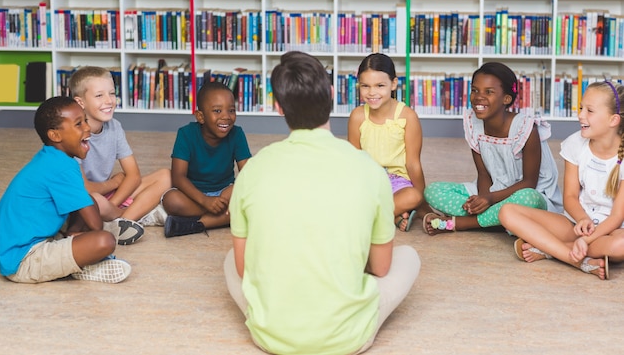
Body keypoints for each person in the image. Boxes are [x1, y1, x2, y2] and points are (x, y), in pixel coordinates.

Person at [224, 51, 420, 354]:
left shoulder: (253, 170)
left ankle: (273, 317)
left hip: (272, 337)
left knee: (228, 259)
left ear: (278, 107)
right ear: (330, 95)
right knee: (408, 257)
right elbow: (381, 269)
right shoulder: (369, 170)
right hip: (348, 338)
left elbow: (241, 267)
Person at [0, 97, 131, 284]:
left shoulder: (53, 158)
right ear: (55, 136)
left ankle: (73, 240)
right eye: (79, 124)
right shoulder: (62, 167)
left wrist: (75, 231)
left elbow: (84, 203)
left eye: (85, 120)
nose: (87, 127)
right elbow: (95, 225)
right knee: (104, 240)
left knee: (89, 201)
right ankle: (82, 266)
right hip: (23, 261)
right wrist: (87, 234)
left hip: (25, 243)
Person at [500, 80, 624, 280]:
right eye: (581, 108)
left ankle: (549, 250)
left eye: (589, 111)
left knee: (621, 245)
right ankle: (573, 258)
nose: (580, 115)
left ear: (613, 120)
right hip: (574, 224)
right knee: (507, 212)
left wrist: (588, 239)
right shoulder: (576, 143)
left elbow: (617, 217)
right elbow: (570, 196)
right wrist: (582, 220)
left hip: (610, 231)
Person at [423, 62, 563, 235]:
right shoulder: (473, 124)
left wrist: (490, 199)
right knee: (433, 191)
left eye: (489, 92)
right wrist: (481, 200)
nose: (479, 97)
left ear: (506, 99)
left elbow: (529, 183)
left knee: (528, 199)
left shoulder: (526, 129)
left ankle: (462, 223)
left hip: (526, 195)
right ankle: (497, 221)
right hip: (493, 192)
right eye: (475, 90)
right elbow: (483, 174)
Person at [69, 66, 171, 245]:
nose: (109, 101)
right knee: (97, 201)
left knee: (165, 176)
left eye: (112, 93)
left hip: (108, 198)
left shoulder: (114, 127)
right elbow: (85, 189)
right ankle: (133, 217)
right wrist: (114, 183)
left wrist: (114, 203)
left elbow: (134, 175)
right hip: (84, 202)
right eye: (99, 96)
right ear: (80, 102)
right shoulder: (74, 135)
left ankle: (120, 222)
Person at [161, 81, 251, 238]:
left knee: (244, 192)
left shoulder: (237, 133)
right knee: (171, 200)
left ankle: (195, 224)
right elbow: (178, 177)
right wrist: (205, 201)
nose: (226, 117)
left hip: (224, 192)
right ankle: (224, 217)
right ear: (200, 116)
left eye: (231, 110)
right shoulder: (186, 134)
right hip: (194, 194)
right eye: (217, 111)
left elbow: (249, 173)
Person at [347, 53, 426, 232]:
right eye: (365, 86)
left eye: (380, 85)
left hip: (398, 183)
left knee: (413, 196)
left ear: (394, 84)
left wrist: (421, 201)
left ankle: (374, 217)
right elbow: (354, 161)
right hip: (369, 181)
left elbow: (413, 163)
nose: (372, 92)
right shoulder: (357, 116)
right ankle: (393, 215)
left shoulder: (407, 116)